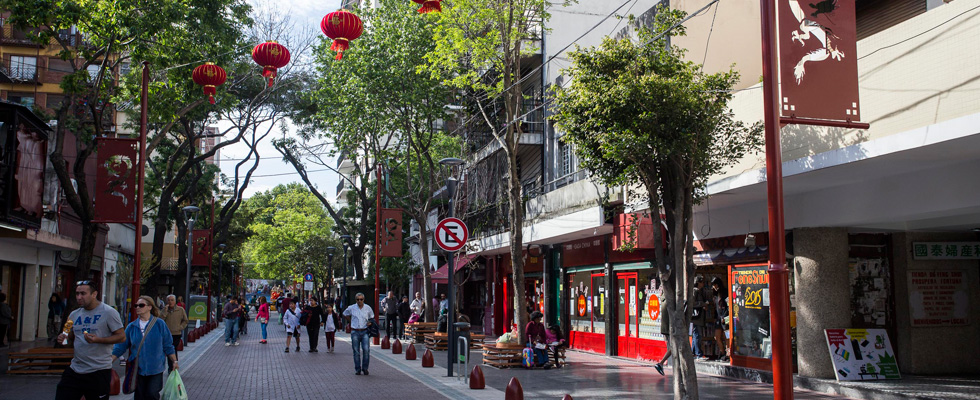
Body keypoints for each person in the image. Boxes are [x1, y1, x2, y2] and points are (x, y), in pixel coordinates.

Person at [55, 280, 126, 400]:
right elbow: (68, 339)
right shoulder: (73, 315)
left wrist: (98, 339)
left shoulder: (109, 312)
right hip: (75, 370)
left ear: (94, 294)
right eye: (77, 294)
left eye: (83, 293)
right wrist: (63, 340)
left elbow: (122, 337)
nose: (79, 297)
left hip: (98, 371)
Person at [112, 296, 177, 400]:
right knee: (139, 396)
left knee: (152, 394)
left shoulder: (160, 324)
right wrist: (110, 360)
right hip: (138, 368)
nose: (138, 307)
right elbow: (121, 346)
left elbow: (168, 345)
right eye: (136, 305)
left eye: (141, 305)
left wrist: (174, 361)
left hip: (156, 368)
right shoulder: (132, 327)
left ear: (149, 307)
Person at [343, 292, 375, 375]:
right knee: (356, 351)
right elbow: (344, 314)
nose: (359, 301)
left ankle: (365, 368)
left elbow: (372, 317)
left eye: (361, 299)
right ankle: (357, 369)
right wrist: (350, 321)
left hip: (364, 331)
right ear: (355, 300)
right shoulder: (352, 308)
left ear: (364, 299)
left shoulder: (368, 308)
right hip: (355, 331)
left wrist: (370, 322)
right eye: (358, 299)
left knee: (366, 350)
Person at [160, 294, 187, 372]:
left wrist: (180, 327)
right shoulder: (164, 310)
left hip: (176, 333)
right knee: (168, 351)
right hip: (166, 334)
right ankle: (170, 367)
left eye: (172, 300)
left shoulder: (180, 310)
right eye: (169, 300)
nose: (170, 302)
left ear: (175, 301)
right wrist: (165, 312)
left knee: (173, 350)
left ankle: (173, 367)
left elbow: (185, 320)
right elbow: (160, 320)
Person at [710, 277, 730, 361]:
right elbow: (716, 307)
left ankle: (728, 353)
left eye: (714, 285)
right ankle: (722, 352)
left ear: (717, 284)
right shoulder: (716, 294)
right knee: (717, 336)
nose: (713, 287)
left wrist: (725, 316)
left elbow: (728, 305)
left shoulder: (725, 292)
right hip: (718, 317)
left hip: (725, 317)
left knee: (727, 336)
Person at [690, 275, 707, 360]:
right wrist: (703, 304)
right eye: (702, 282)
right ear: (698, 283)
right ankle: (698, 353)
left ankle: (693, 352)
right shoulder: (695, 291)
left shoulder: (700, 291)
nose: (703, 283)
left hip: (699, 317)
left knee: (696, 335)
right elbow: (692, 303)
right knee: (697, 335)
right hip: (696, 318)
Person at [655, 296, 671, 376]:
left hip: (666, 328)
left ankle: (661, 363)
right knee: (674, 347)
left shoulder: (664, 300)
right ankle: (661, 363)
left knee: (672, 347)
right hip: (670, 328)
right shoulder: (670, 301)